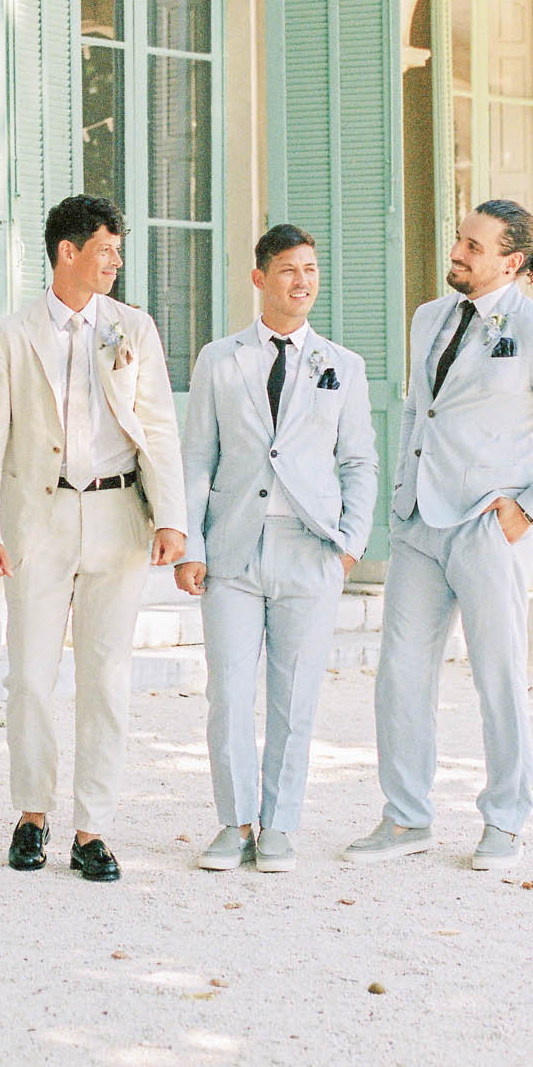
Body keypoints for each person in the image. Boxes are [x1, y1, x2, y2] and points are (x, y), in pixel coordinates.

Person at [346, 201, 533, 871]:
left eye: (472, 244)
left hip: (489, 528)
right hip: (418, 528)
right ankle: (406, 819)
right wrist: (398, 504)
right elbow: (419, 414)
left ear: (511, 261)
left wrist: (532, 508)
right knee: (401, 677)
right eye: (458, 238)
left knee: (497, 677)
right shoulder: (429, 317)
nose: (457, 251)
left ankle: (506, 822)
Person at [0, 195, 186, 881]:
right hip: (41, 519)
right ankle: (31, 815)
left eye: (118, 251)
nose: (116, 263)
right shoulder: (12, 335)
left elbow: (158, 425)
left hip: (120, 515)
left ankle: (94, 828)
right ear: (68, 252)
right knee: (30, 675)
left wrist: (172, 516)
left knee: (106, 678)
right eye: (106, 250)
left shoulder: (134, 329)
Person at [175, 225, 377, 871]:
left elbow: (360, 462)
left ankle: (282, 823)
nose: (303, 282)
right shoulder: (219, 359)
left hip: (310, 549)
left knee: (296, 697)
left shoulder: (343, 367)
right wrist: (190, 546)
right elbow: (196, 459)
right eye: (289, 270)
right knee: (229, 692)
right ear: (259, 278)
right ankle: (234, 823)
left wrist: (349, 543)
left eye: (312, 270)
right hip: (233, 550)